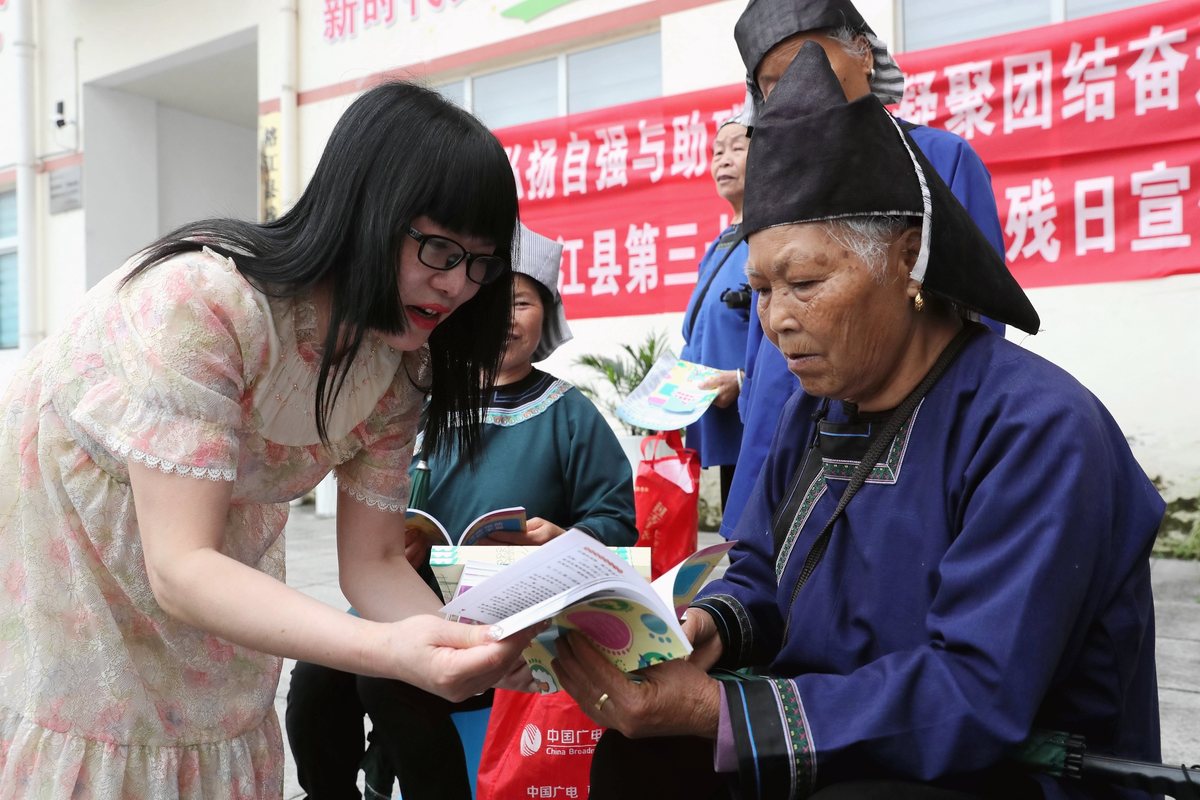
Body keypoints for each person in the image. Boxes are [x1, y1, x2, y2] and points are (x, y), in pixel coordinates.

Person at [551, 44, 1163, 800]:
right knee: (640, 759)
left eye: (804, 283)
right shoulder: (815, 414)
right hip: (843, 734)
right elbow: (761, 576)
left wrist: (718, 708)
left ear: (908, 262)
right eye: (761, 291)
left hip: (1006, 768)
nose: (777, 322)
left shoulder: (1036, 430)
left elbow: (974, 691)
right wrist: (709, 624)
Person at [0, 81, 543, 798]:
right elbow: (181, 567)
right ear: (364, 208)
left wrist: (463, 641)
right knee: (110, 734)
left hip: (211, 564)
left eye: (480, 264)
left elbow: (375, 561)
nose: (457, 287)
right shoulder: (202, 305)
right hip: (83, 550)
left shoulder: (398, 363)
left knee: (217, 718)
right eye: (440, 248)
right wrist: (388, 650)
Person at [285, 224, 638, 800]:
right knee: (315, 678)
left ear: (546, 315)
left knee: (387, 680)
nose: (504, 318)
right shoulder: (422, 403)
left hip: (517, 611)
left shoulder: (571, 414)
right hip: (405, 594)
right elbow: (385, 497)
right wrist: (400, 537)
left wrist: (562, 537)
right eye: (492, 304)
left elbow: (617, 520)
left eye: (521, 302)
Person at [722, 0, 1010, 539]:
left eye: (815, 63)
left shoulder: (938, 159)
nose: (799, 88)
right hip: (779, 425)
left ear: (863, 55)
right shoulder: (770, 175)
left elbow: (978, 316)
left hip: (893, 439)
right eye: (773, 82)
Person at [680, 118, 752, 510]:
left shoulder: (770, 236)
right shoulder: (718, 246)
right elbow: (699, 330)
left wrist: (744, 381)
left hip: (760, 426)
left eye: (736, 148)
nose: (723, 160)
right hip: (724, 423)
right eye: (716, 151)